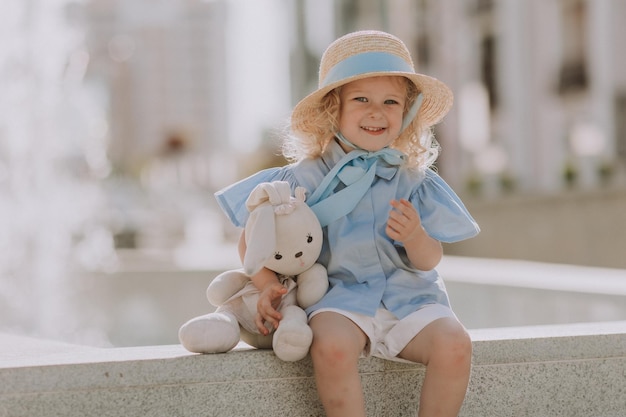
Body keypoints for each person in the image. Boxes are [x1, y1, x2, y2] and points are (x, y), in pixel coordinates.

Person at [215, 30, 480, 417]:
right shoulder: (304, 179)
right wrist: (268, 284)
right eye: (361, 100)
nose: (377, 111)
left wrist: (416, 237)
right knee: (332, 347)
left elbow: (430, 260)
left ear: (405, 114)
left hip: (411, 298)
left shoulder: (413, 180)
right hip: (340, 298)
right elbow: (251, 240)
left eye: (391, 101)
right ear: (332, 110)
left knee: (455, 345)